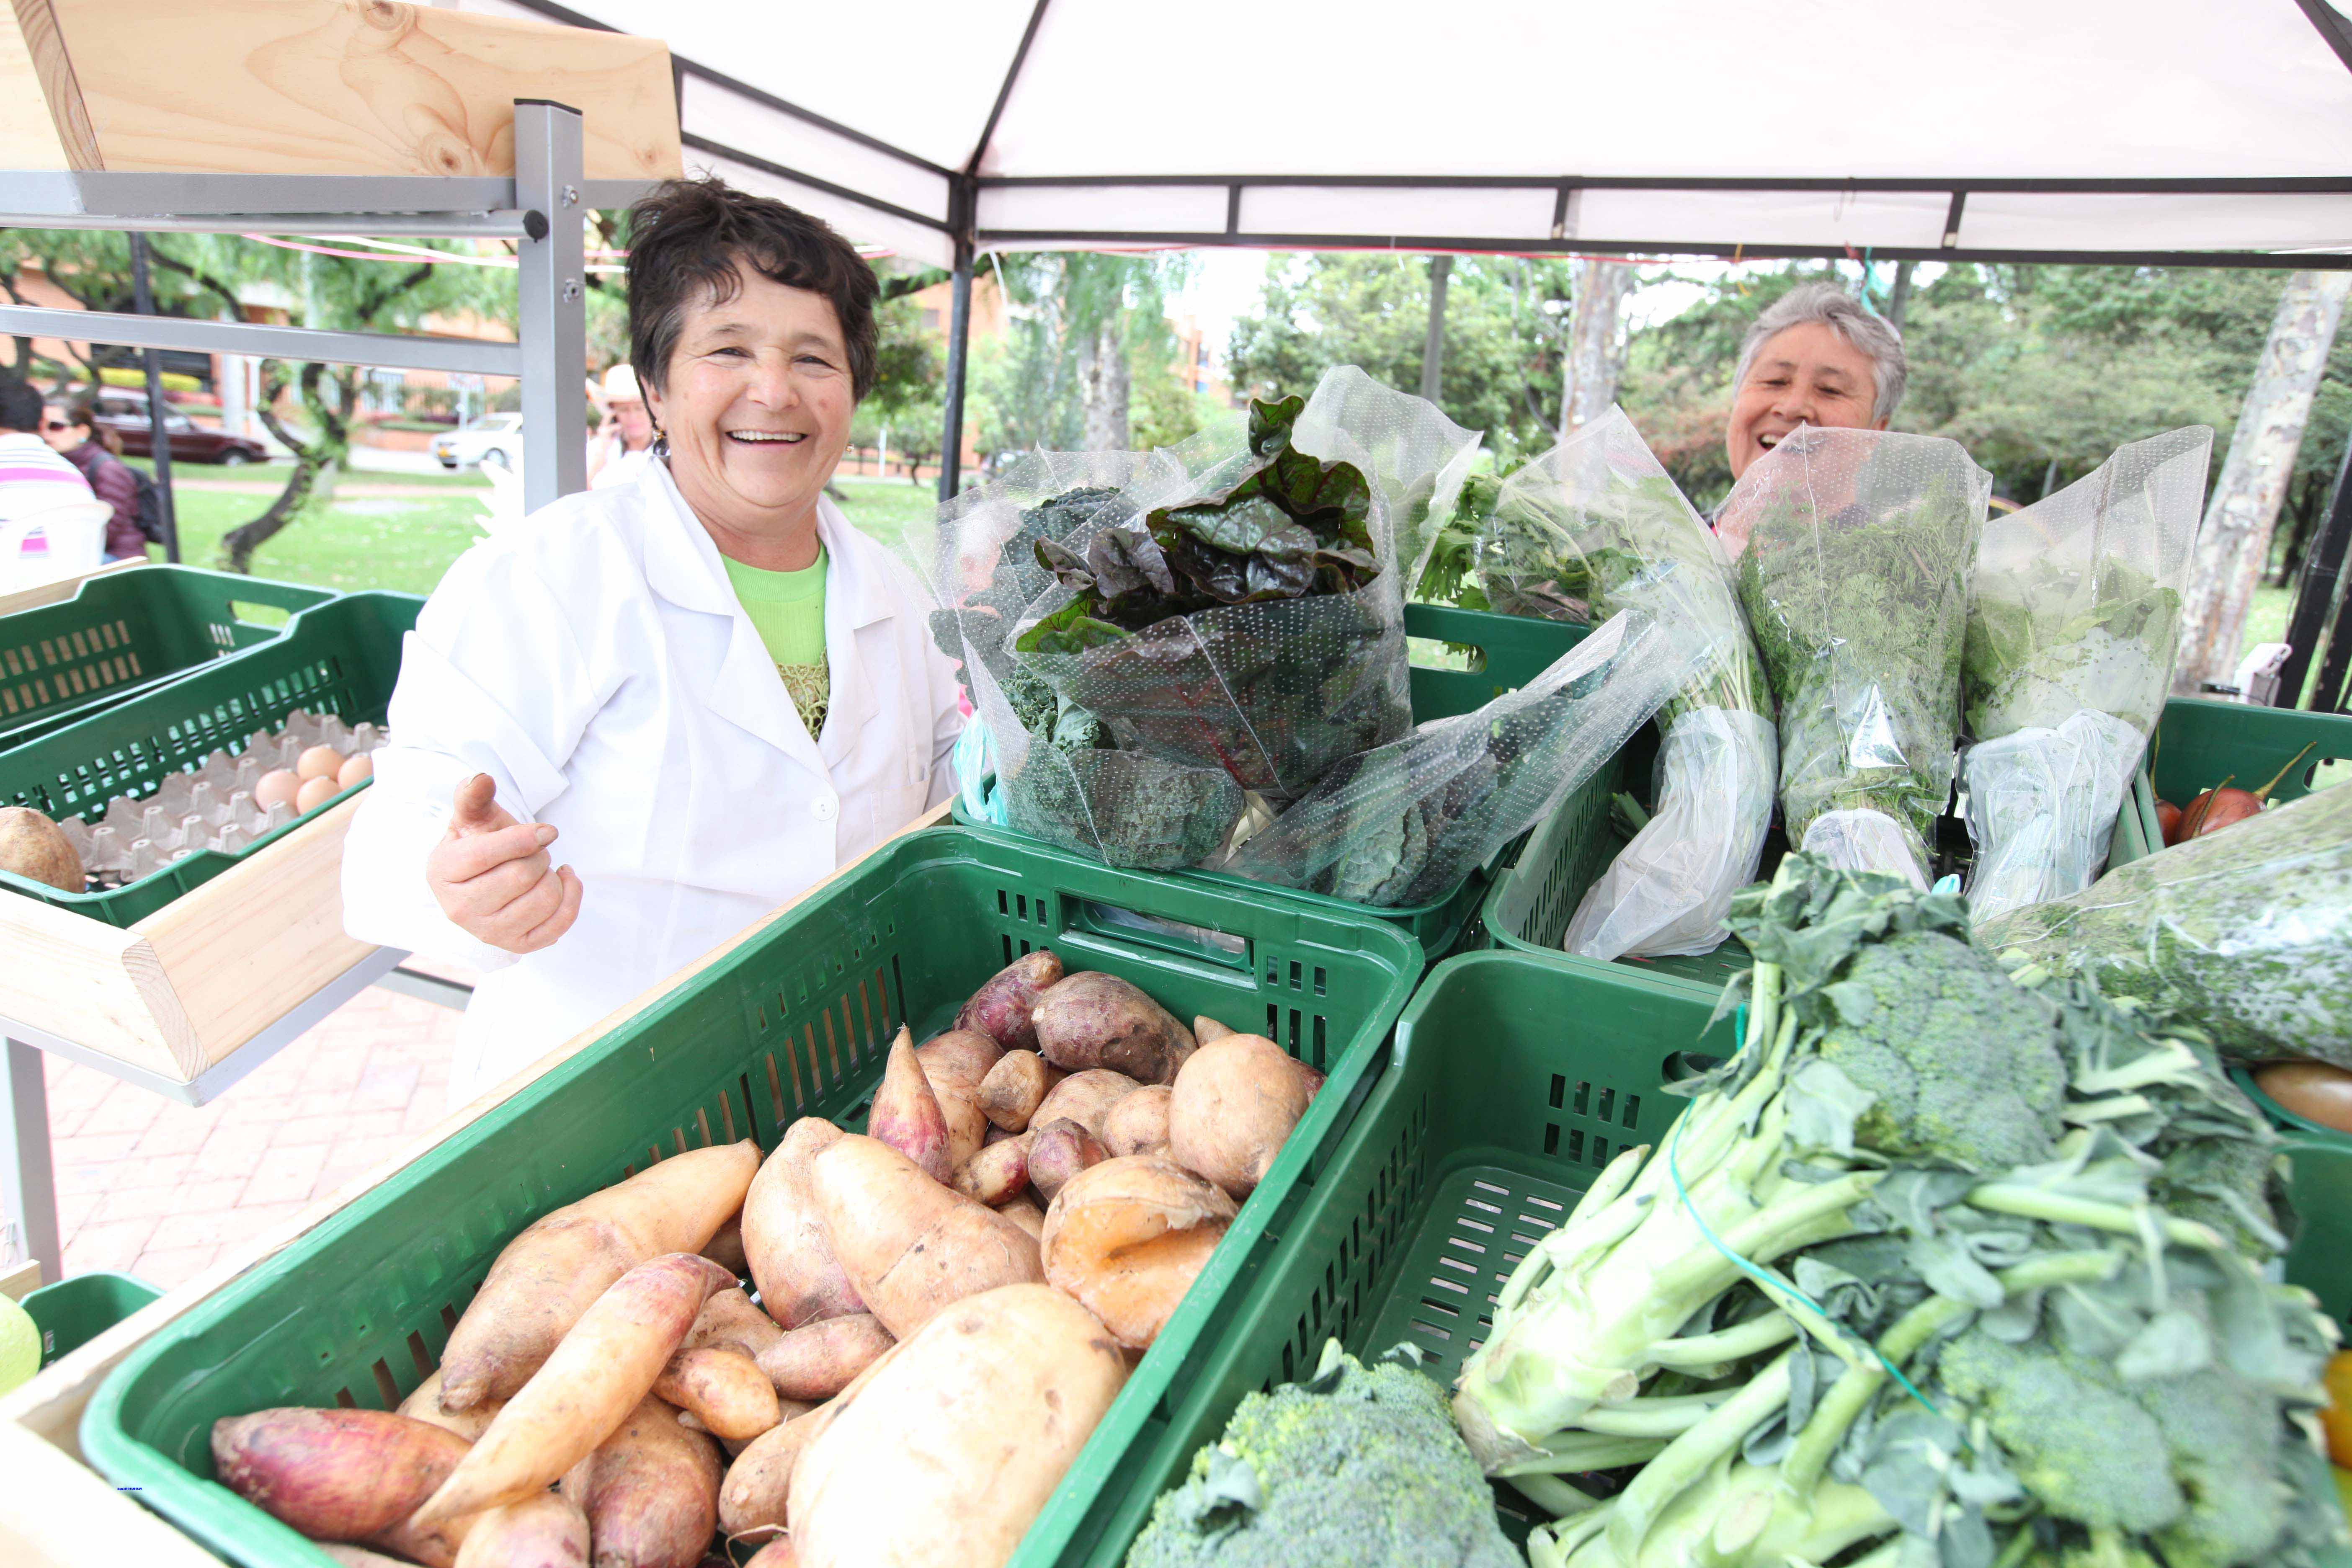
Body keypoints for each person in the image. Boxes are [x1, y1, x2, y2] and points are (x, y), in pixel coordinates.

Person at [342, 179, 965, 1104]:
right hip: (601, 1101)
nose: (774, 391)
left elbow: (949, 797)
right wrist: (458, 885)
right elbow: (406, 824)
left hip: (838, 1091)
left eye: (814, 359)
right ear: (656, 388)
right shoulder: (549, 578)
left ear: (853, 390)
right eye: (727, 350)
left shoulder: (899, 596)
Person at [44, 399, 147, 561]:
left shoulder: (107, 469)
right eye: (40, 427)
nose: (46, 434)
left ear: (82, 432)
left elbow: (106, 532)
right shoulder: (58, 464)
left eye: (55, 426)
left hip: (115, 561)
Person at [587, 361, 656, 491]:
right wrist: (599, 457)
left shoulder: (668, 451)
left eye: (639, 409)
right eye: (624, 410)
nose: (633, 417)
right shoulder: (598, 450)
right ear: (613, 413)